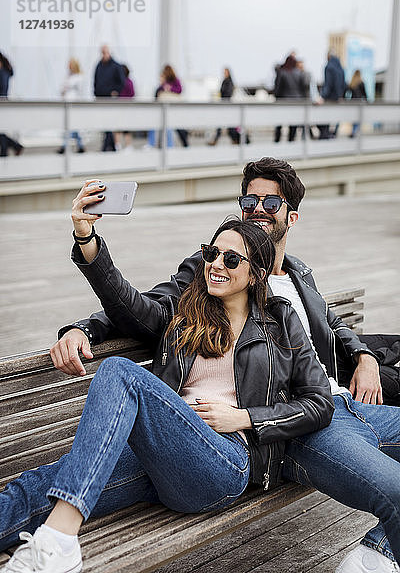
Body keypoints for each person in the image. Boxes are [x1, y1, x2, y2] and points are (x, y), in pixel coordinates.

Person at [53, 157, 400, 572]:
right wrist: (86, 327)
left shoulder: (298, 274)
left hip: (343, 401)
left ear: (292, 216)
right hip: (301, 422)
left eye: (269, 203)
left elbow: (329, 322)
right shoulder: (215, 268)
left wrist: (361, 355)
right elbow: (151, 309)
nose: (256, 208)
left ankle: (379, 550)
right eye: (248, 199)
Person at [0, 205, 335, 573]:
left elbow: (319, 402)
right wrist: (86, 241)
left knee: (118, 372)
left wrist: (245, 417)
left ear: (255, 275)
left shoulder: (279, 320)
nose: (216, 264)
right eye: (211, 253)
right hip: (162, 456)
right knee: (36, 486)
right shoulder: (184, 314)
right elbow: (126, 304)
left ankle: (60, 540)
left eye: (231, 259)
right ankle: (56, 540)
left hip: (224, 462)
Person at [93, 45, 125, 152]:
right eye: (102, 52)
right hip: (100, 98)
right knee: (104, 123)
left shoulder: (116, 66)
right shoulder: (99, 65)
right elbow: (95, 81)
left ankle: (108, 146)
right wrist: (95, 93)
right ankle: (109, 145)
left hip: (111, 99)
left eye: (105, 52)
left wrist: (115, 92)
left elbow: (122, 82)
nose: (103, 54)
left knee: (110, 122)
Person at [274, 54, 305, 142]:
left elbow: (277, 88)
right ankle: (291, 141)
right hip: (296, 102)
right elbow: (302, 88)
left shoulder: (282, 72)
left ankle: (277, 140)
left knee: (279, 123)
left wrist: (277, 98)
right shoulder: (299, 73)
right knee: (293, 124)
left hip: (284, 102)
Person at [57, 58, 85, 154]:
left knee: (70, 126)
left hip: (74, 105)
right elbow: (62, 88)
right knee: (71, 127)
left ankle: (65, 146)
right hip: (66, 104)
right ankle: (80, 145)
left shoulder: (79, 77)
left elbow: (79, 91)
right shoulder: (67, 77)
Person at [208, 68, 240, 146]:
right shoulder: (225, 81)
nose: (224, 73)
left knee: (228, 125)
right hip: (224, 105)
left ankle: (234, 139)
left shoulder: (228, 82)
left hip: (226, 106)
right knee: (225, 124)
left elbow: (228, 93)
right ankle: (234, 140)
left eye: (225, 72)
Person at [318, 50, 346, 140]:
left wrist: (322, 96)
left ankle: (325, 136)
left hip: (329, 99)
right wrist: (341, 95)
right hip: (338, 98)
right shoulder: (341, 68)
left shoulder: (329, 67)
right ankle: (333, 135)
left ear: (328, 56)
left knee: (322, 119)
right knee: (336, 118)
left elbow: (328, 84)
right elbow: (344, 84)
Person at [0, 52, 24, 157]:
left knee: (1, 130)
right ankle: (13, 147)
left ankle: (8, 149)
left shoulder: (2, 72)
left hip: (1, 103)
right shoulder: (6, 71)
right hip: (4, 102)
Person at [114, 64, 136, 151]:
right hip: (128, 108)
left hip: (120, 107)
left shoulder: (119, 82)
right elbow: (133, 94)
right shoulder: (129, 82)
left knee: (118, 128)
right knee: (126, 129)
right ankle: (128, 145)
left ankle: (117, 145)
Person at [348, 69, 368, 138]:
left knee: (354, 118)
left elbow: (347, 92)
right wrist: (366, 101)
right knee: (358, 117)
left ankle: (354, 131)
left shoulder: (352, 83)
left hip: (352, 102)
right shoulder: (361, 83)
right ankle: (354, 131)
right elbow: (364, 94)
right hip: (359, 103)